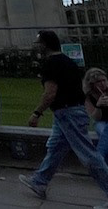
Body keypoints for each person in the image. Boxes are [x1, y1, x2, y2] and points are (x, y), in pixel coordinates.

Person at [19, 30, 108, 200]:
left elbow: (50, 93)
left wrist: (37, 113)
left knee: (89, 155)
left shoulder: (51, 64)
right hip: (69, 112)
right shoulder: (68, 62)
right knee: (56, 148)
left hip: (68, 113)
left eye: (38, 43)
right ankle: (40, 181)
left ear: (45, 44)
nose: (37, 47)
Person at [85, 67, 108, 165]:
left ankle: (98, 161)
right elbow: (95, 117)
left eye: (104, 80)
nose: (102, 84)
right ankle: (100, 162)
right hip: (101, 121)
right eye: (99, 82)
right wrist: (98, 106)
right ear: (92, 84)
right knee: (103, 132)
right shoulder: (89, 97)